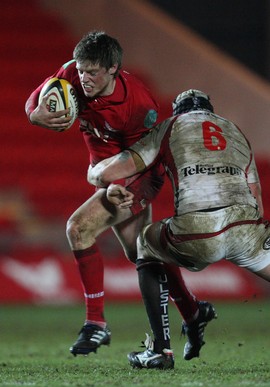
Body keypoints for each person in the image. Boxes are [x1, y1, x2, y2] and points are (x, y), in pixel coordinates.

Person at [25, 31, 216, 360]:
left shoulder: (138, 105)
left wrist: (118, 186)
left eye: (93, 72)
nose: (83, 78)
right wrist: (34, 114)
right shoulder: (72, 73)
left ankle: (96, 322)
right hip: (108, 174)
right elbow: (38, 98)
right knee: (142, 253)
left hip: (141, 173)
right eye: (81, 70)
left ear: (113, 69)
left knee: (79, 227)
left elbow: (143, 158)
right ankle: (193, 312)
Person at [88, 88, 270, 369]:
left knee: (145, 245)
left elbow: (112, 172)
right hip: (245, 226)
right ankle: (193, 315)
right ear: (210, 110)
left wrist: (95, 172)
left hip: (199, 230)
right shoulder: (235, 131)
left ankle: (161, 351)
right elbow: (255, 195)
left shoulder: (170, 126)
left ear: (178, 112)